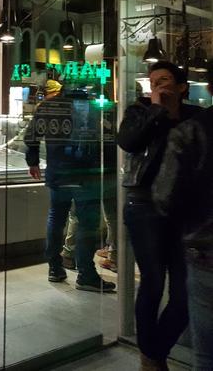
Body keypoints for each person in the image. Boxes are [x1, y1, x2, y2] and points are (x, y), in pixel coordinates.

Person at [118, 61, 200, 370]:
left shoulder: (196, 117)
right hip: (145, 207)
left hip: (185, 210)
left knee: (185, 291)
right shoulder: (139, 111)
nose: (157, 86)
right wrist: (155, 110)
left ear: (181, 87)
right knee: (152, 282)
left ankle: (152, 353)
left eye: (164, 80)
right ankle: (152, 360)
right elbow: (128, 142)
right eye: (153, 82)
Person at [26, 79, 116, 292]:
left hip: (59, 172)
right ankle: (86, 274)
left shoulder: (49, 105)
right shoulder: (94, 105)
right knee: (87, 224)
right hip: (86, 175)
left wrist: (33, 161)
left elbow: (32, 135)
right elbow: (109, 137)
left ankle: (55, 268)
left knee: (57, 219)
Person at [154, 63, 213, 371]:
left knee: (206, 354)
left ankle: (152, 356)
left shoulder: (192, 128)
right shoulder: (148, 115)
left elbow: (165, 197)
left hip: (204, 253)